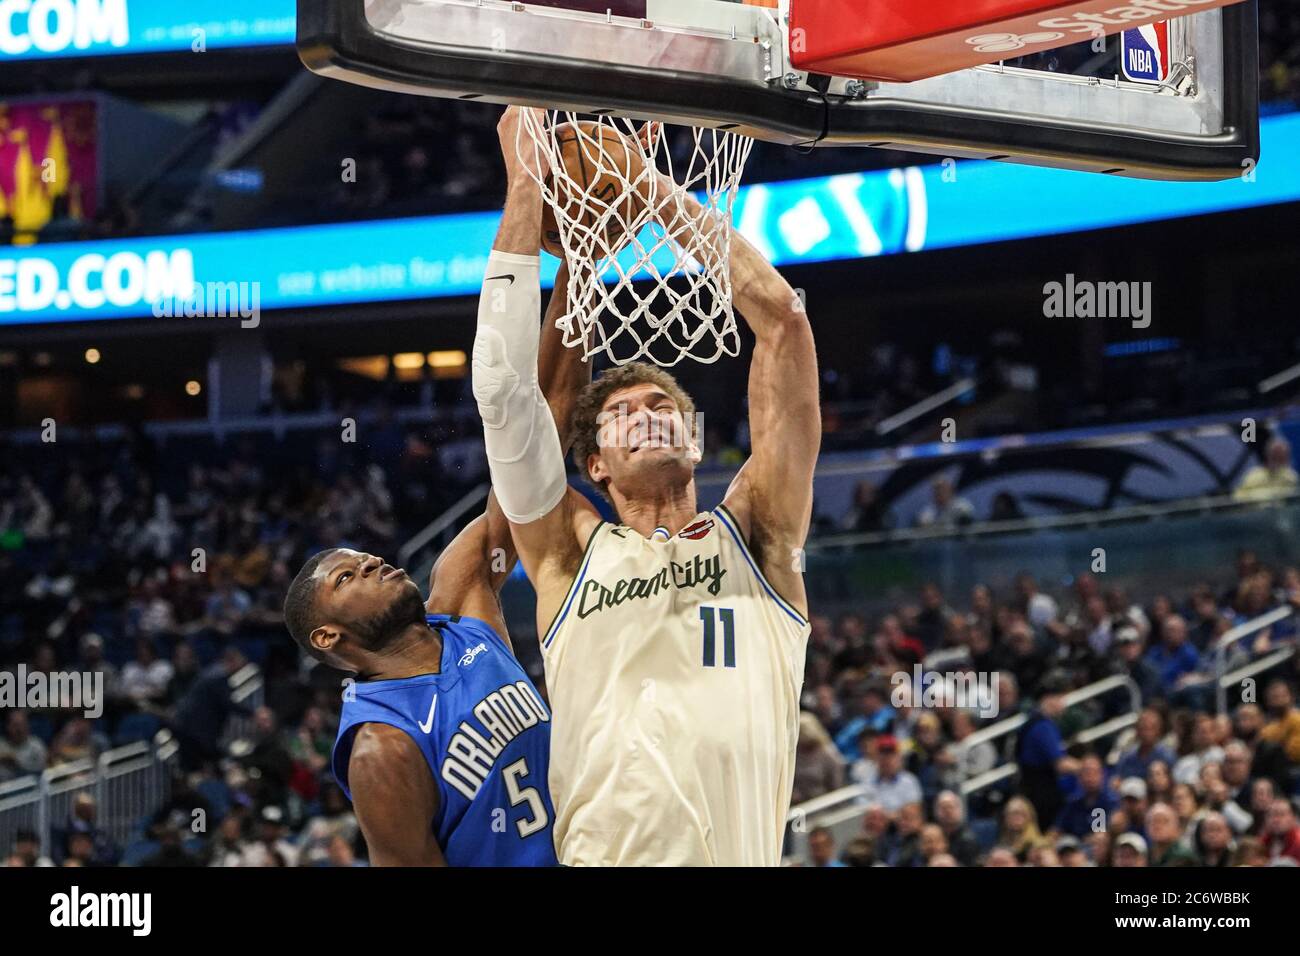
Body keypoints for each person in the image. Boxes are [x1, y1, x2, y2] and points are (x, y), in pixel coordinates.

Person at [473, 108, 819, 866]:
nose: (649, 416)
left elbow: (784, 322)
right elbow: (504, 393)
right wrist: (527, 185)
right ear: (593, 465)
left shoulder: (758, 532)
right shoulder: (567, 553)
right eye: (624, 413)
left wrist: (651, 187)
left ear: (695, 440)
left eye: (664, 406)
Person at [282, 254, 586, 866]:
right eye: (347, 576)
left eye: (364, 557)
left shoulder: (465, 591)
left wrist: (578, 274)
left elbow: (539, 441)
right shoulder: (381, 749)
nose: (371, 564)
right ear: (326, 634)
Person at [1232, 437, 1299, 501]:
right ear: (1268, 455)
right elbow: (1237, 499)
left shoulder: (1291, 477)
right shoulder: (1253, 476)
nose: (1277, 461)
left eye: (1281, 458)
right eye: (1274, 456)